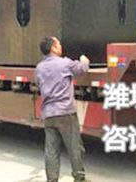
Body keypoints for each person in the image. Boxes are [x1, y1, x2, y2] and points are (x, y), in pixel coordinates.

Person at [36, 37, 90, 182]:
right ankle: (79, 177)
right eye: (58, 44)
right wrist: (84, 60)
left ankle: (52, 179)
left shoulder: (39, 67)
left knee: (51, 150)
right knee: (74, 147)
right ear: (53, 48)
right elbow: (82, 69)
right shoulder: (64, 63)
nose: (61, 46)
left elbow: (39, 84)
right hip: (65, 112)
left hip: (48, 114)